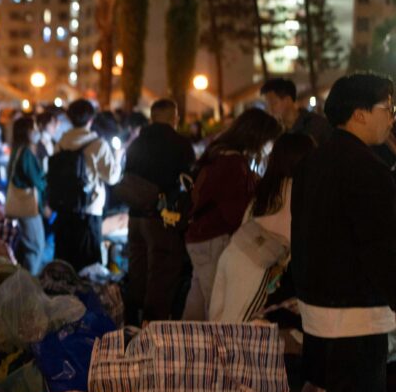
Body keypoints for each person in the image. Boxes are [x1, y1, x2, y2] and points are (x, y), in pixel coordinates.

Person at [293, 73, 396, 392]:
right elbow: (381, 248)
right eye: (387, 107)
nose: (392, 117)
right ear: (360, 114)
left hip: (316, 307)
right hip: (356, 316)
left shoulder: (313, 161)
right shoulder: (368, 171)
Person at [181, 108, 281, 321]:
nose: (269, 148)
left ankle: (179, 347)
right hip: (213, 238)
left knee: (197, 304)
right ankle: (212, 352)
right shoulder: (233, 164)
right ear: (258, 136)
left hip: (199, 235)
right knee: (215, 307)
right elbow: (236, 214)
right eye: (269, 141)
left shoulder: (219, 152)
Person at [208, 133, 315, 323]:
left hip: (232, 253)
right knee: (240, 332)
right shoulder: (299, 191)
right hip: (254, 265)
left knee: (219, 326)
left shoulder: (267, 188)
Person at [119, 99, 196, 324]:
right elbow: (189, 182)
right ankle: (152, 330)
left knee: (138, 271)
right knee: (161, 275)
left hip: (135, 218)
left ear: (152, 117)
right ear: (174, 117)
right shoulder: (180, 144)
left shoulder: (136, 143)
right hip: (162, 219)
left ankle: (132, 325)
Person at [48, 99, 122, 272]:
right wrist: (117, 157)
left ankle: (63, 297)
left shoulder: (60, 144)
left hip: (64, 211)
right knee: (88, 267)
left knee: (65, 265)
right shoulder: (97, 144)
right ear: (91, 120)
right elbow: (112, 177)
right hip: (88, 213)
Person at [8, 115, 48, 274]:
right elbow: (37, 181)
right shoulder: (26, 153)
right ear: (27, 132)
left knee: (28, 246)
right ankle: (30, 286)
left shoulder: (16, 150)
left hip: (20, 206)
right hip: (28, 207)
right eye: (34, 128)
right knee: (36, 246)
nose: (37, 132)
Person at [261, 78, 332, 145]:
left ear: (288, 100)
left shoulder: (316, 125)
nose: (270, 109)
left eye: (273, 103)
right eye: (267, 105)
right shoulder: (275, 132)